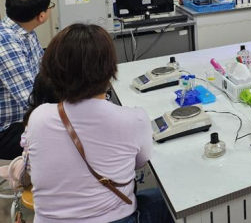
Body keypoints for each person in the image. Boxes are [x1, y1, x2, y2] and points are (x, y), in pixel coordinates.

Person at [25, 24, 173, 223]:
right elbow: (139, 163)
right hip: (115, 219)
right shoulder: (134, 118)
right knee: (172, 199)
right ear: (110, 70)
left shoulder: (39, 116)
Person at [0, 0, 52, 159]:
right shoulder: (6, 45)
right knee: (67, 135)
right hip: (7, 129)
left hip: (22, 116)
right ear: (42, 16)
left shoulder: (25, 33)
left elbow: (45, 69)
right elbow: (32, 100)